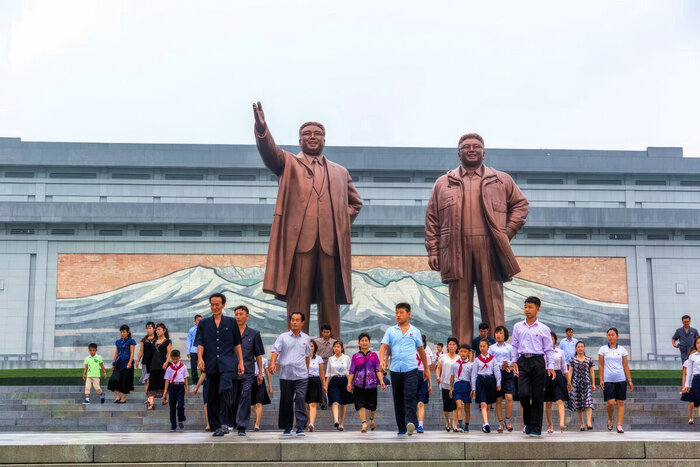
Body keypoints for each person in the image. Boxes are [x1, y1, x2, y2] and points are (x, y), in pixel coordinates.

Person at [252, 102, 363, 339]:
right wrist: (262, 130)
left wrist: (339, 222)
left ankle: (331, 348)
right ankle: (296, 346)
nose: (312, 137)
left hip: (330, 245)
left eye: (318, 134)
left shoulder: (340, 172)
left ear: (324, 139)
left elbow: (356, 203)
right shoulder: (289, 162)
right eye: (307, 134)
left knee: (330, 301)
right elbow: (270, 153)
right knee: (298, 300)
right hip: (300, 243)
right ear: (300, 140)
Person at [425, 132, 529, 346]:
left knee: (492, 301)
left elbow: (521, 205)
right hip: (455, 247)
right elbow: (432, 219)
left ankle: (495, 350)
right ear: (458, 153)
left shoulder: (501, 179)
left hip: (490, 247)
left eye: (476, 146)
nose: (471, 150)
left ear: (484, 152)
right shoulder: (443, 183)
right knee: (459, 303)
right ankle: (461, 352)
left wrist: (506, 233)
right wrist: (433, 250)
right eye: (466, 147)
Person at [195, 293, 245, 437]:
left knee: (224, 391)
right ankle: (215, 426)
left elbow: (237, 343)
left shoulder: (231, 322)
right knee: (211, 395)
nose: (214, 307)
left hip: (227, 364)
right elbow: (200, 342)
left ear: (223, 305)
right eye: (212, 304)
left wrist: (241, 362)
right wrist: (200, 358)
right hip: (211, 364)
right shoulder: (204, 323)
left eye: (217, 304)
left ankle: (225, 423)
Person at [379, 302, 430, 436]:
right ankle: (401, 428)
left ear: (408, 314)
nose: (398, 315)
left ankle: (410, 423)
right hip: (395, 370)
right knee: (398, 399)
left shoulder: (415, 331)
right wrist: (382, 360)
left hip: (411, 370)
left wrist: (426, 368)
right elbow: (383, 346)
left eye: (401, 312)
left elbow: (421, 351)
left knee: (410, 396)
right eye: (396, 312)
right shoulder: (391, 330)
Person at [510, 296, 556, 437]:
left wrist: (550, 366)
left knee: (537, 396)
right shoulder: (518, 326)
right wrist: (514, 361)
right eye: (525, 307)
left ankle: (536, 428)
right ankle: (528, 422)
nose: (527, 310)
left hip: (538, 362)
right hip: (523, 361)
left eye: (530, 307)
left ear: (538, 309)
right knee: (523, 394)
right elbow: (514, 345)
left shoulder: (544, 329)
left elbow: (549, 349)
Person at [270, 311, 312, 436]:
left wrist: (307, 371)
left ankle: (300, 427)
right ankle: (287, 427)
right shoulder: (283, 337)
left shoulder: (306, 338)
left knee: (300, 398)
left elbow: (307, 356)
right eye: (292, 320)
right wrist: (272, 363)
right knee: (286, 401)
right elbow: (275, 350)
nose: (294, 322)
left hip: (301, 375)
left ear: (302, 323)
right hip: (286, 375)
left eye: (297, 320)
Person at [232, 305, 264, 436]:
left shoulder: (254, 334)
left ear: (247, 316)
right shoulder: (229, 332)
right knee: (232, 398)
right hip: (231, 372)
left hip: (248, 372)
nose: (238, 317)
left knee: (245, 396)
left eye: (241, 314)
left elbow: (258, 355)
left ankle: (241, 426)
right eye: (236, 314)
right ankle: (231, 422)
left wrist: (260, 372)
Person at [347, 332, 385, 433]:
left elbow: (377, 369)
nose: (364, 342)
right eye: (362, 341)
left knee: (372, 406)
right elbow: (352, 370)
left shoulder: (374, 355)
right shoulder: (355, 356)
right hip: (358, 384)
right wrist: (349, 383)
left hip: (372, 384)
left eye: (366, 341)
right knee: (360, 404)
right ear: (359, 342)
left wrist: (381, 381)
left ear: (369, 342)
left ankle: (371, 420)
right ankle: (364, 423)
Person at [598, 327, 633, 433]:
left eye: (613, 335)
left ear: (617, 336)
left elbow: (625, 365)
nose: (611, 337)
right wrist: (601, 379)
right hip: (608, 379)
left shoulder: (622, 350)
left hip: (620, 379)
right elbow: (601, 365)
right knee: (611, 403)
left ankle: (619, 425)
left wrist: (629, 380)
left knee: (621, 402)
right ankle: (610, 419)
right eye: (609, 335)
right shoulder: (603, 349)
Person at [471, 339, 501, 433]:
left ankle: (485, 424)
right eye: (480, 346)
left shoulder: (493, 359)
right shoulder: (477, 360)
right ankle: (486, 423)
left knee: (488, 405)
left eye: (484, 346)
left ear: (488, 347)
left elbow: (497, 371)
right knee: (483, 403)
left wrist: (498, 383)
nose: (482, 348)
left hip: (490, 381)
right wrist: (473, 388)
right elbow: (474, 374)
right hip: (481, 381)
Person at [489, 325, 515, 432]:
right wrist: (501, 365)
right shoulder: (491, 348)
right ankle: (500, 423)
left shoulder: (510, 347)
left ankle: (507, 420)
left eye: (500, 333)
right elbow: (490, 360)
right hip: (496, 374)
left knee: (509, 397)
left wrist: (507, 363)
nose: (498, 335)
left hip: (508, 373)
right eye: (497, 333)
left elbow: (514, 359)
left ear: (505, 335)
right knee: (498, 399)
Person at [325, 340, 353, 431]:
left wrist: (350, 383)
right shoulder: (331, 359)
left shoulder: (346, 358)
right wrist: (326, 384)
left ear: (341, 348)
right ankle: (336, 420)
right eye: (335, 347)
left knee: (343, 403)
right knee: (335, 401)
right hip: (334, 381)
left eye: (338, 347)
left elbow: (349, 371)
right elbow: (328, 372)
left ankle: (341, 423)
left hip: (344, 380)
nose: (336, 348)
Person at [544, 332, 569, 434]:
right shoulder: (542, 352)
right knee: (548, 403)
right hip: (546, 376)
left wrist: (569, 381)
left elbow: (564, 368)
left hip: (558, 376)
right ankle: (550, 424)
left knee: (560, 401)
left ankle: (562, 423)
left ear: (555, 340)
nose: (550, 341)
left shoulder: (560, 352)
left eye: (552, 338)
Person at [567, 341, 595, 431]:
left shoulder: (589, 360)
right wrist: (569, 382)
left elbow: (591, 372)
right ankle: (582, 423)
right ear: (576, 349)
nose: (580, 348)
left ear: (584, 348)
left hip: (587, 384)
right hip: (576, 384)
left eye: (582, 347)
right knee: (578, 404)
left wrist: (593, 383)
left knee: (588, 402)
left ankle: (589, 423)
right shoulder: (572, 360)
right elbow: (570, 371)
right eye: (578, 347)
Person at [162, 349, 189, 432]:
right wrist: (165, 391)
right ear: (171, 358)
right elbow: (167, 379)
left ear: (179, 358)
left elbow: (185, 378)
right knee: (172, 407)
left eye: (176, 359)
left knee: (180, 404)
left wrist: (186, 387)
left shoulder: (183, 367)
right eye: (173, 359)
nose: (174, 361)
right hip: (172, 387)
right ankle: (173, 425)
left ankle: (180, 419)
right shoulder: (169, 368)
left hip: (180, 386)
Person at [146, 323, 171, 410]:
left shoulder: (167, 341)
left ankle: (164, 398)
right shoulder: (153, 341)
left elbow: (169, 353)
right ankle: (151, 403)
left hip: (162, 365)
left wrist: (166, 363)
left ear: (164, 330)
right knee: (152, 384)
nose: (157, 331)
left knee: (162, 383)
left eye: (159, 329)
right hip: (153, 365)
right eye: (156, 330)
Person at [436, 337, 460, 431]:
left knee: (456, 405)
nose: (452, 346)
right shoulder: (443, 357)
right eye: (450, 344)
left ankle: (454, 424)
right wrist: (438, 377)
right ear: (447, 346)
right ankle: (447, 422)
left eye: (454, 344)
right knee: (446, 406)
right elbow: (438, 368)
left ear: (456, 346)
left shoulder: (459, 358)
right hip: (445, 383)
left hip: (456, 385)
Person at [108, 324, 136, 403]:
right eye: (121, 332)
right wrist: (113, 363)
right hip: (118, 363)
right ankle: (117, 396)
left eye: (124, 332)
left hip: (127, 363)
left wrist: (130, 362)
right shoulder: (118, 341)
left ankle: (123, 398)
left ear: (128, 332)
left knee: (126, 381)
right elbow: (116, 353)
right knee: (113, 380)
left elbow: (132, 353)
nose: (122, 334)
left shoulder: (131, 341)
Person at [449, 343, 473, 432]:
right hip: (457, 386)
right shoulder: (454, 365)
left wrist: (473, 389)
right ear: (458, 352)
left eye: (465, 352)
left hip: (466, 386)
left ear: (469, 353)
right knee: (459, 406)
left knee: (467, 407)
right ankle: (460, 423)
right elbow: (452, 377)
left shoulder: (471, 365)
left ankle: (466, 424)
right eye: (461, 351)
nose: (463, 353)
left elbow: (472, 378)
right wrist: (451, 389)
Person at [313, 324, 337, 409]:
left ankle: (331, 400)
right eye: (324, 332)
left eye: (327, 332)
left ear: (330, 332)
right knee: (322, 382)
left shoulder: (334, 342)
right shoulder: (316, 342)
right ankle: (323, 402)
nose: (326, 334)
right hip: (319, 363)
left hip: (330, 362)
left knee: (329, 382)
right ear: (321, 332)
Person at [415, 335, 434, 433]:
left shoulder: (426, 354)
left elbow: (428, 370)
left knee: (421, 403)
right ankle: (414, 423)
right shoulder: (410, 353)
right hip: (412, 377)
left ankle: (420, 425)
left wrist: (430, 384)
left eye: (421, 341)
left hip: (423, 378)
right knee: (414, 404)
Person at [305, 341, 325, 432]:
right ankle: (308, 421)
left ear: (315, 348)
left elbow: (321, 372)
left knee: (312, 404)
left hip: (315, 380)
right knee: (306, 404)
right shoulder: (303, 358)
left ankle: (311, 424)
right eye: (309, 346)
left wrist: (324, 384)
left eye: (312, 346)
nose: (310, 348)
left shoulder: (318, 358)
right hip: (305, 381)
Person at [250, 356, 273, 431]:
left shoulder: (264, 360)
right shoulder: (249, 358)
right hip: (250, 380)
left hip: (260, 380)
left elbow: (267, 372)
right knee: (251, 405)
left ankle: (257, 424)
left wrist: (270, 385)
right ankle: (257, 415)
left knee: (259, 403)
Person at [135, 322, 155, 402]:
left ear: (154, 329)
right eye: (147, 328)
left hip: (154, 362)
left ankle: (152, 398)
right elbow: (141, 351)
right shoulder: (144, 339)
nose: (148, 330)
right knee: (146, 380)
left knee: (152, 380)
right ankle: (148, 398)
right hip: (145, 362)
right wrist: (137, 361)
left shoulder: (157, 339)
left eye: (150, 328)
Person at [682, 339, 700, 424]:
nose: (699, 345)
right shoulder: (692, 357)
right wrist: (686, 385)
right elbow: (688, 373)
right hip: (696, 380)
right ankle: (690, 417)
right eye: (697, 343)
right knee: (696, 403)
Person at [186, 315, 203, 382]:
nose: (200, 321)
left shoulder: (204, 329)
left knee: (203, 365)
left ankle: (203, 380)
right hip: (193, 351)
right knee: (193, 366)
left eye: (201, 320)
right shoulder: (191, 330)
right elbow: (188, 341)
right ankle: (195, 380)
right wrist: (188, 351)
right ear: (195, 322)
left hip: (202, 351)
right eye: (198, 320)